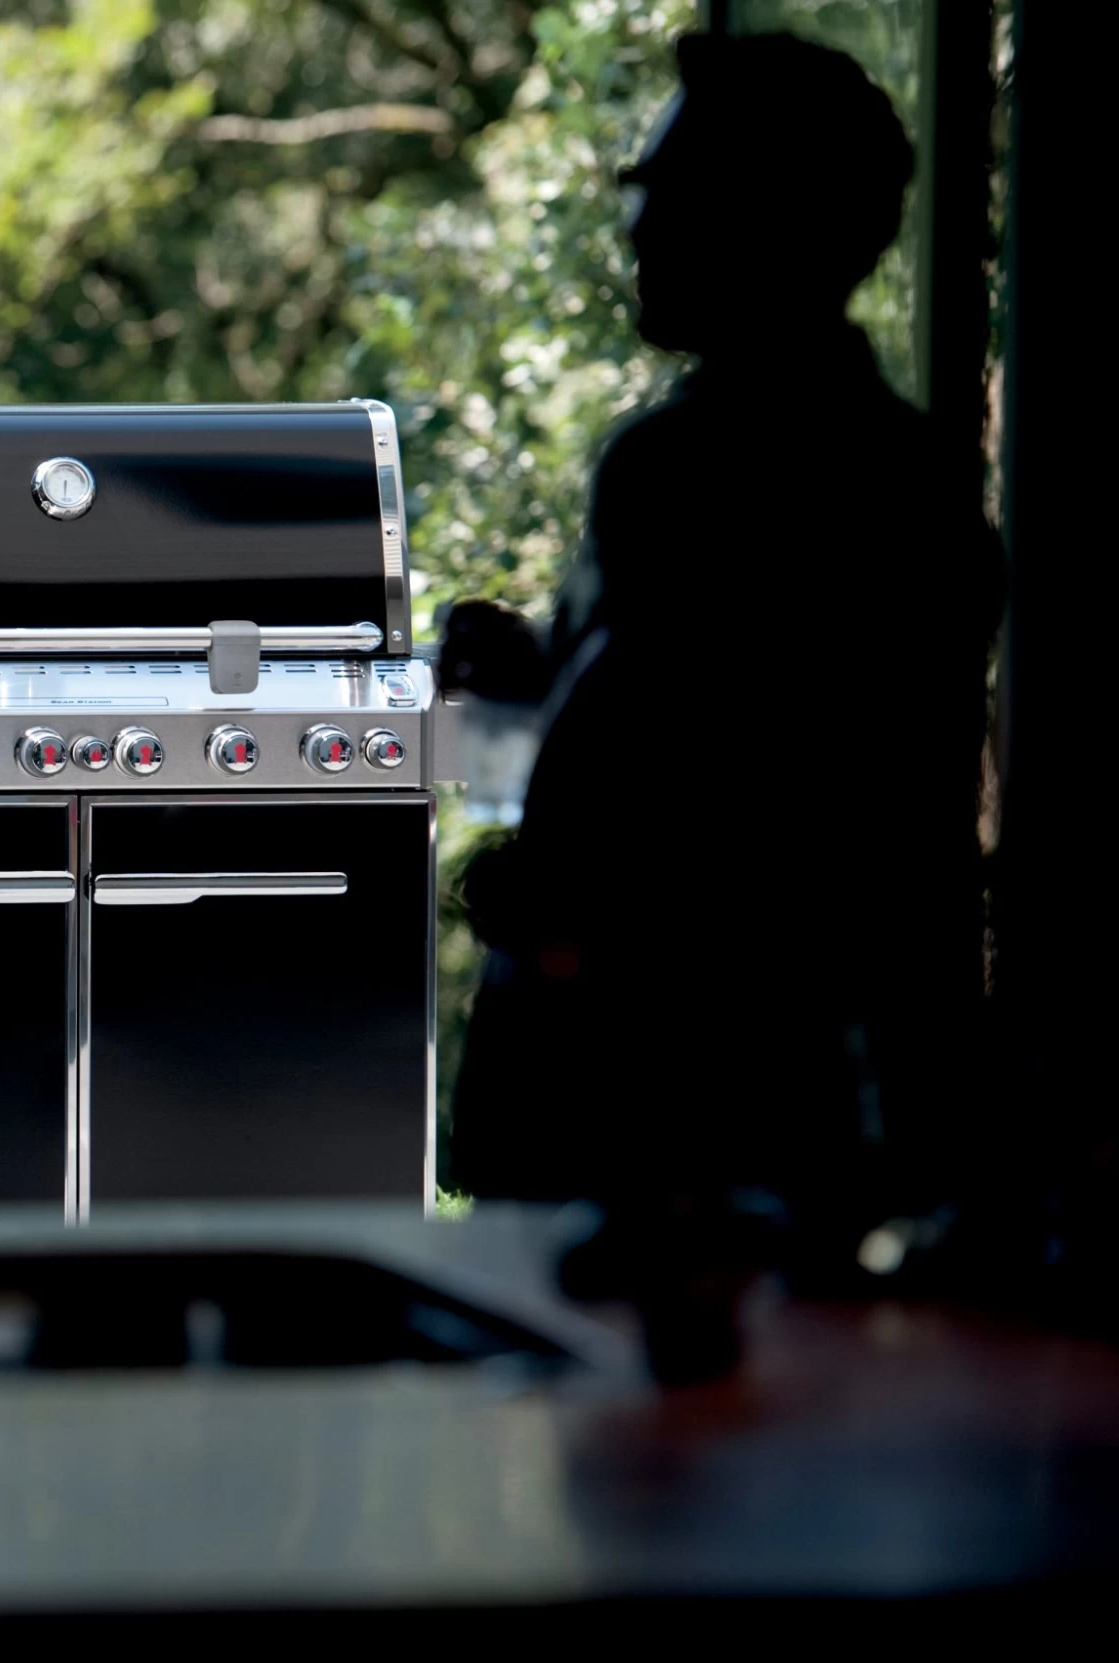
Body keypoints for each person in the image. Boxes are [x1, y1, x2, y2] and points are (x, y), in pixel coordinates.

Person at [440, 32, 1003, 1327]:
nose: (637, 221)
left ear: (772, 223)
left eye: (670, 191)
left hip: (679, 1120)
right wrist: (548, 666)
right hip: (796, 1120)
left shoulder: (687, 469)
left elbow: (694, 787)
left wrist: (543, 896)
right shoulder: (906, 478)